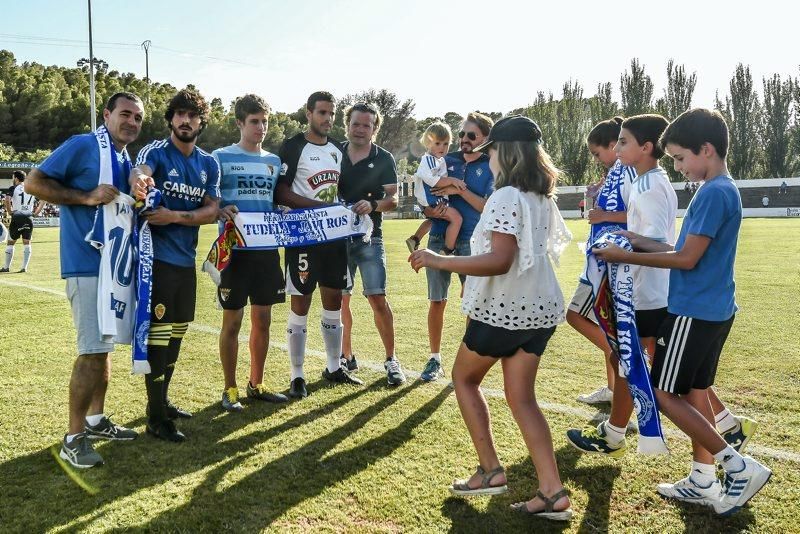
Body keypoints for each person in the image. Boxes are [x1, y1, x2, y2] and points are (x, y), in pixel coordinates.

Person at [593, 108, 771, 515]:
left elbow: (686, 259)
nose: (677, 167)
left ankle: (737, 466)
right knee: (694, 393)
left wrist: (626, 254)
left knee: (661, 393)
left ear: (705, 150)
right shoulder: (722, 188)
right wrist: (634, 240)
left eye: (679, 158)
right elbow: (679, 248)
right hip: (714, 308)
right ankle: (701, 477)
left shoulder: (712, 193)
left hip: (693, 310)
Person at [410, 116, 573, 521]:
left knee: (463, 378)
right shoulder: (541, 195)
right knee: (523, 399)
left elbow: (501, 259)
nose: (489, 159)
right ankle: (553, 493)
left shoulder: (505, 196)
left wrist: (439, 259)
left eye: (492, 151)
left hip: (505, 310)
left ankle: (490, 471)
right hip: (540, 309)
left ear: (505, 152)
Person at [25, 92, 144, 468]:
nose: (132, 122)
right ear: (106, 114)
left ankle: (95, 419)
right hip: (85, 263)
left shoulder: (123, 158)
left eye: (138, 118)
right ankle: (73, 437)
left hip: (112, 265)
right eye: (125, 114)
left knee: (104, 345)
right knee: (91, 350)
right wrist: (85, 196)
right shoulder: (83, 145)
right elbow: (32, 182)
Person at [567, 114, 677, 454]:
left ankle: (722, 439)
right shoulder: (645, 181)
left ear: (645, 148)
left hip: (646, 290)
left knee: (647, 368)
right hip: (638, 287)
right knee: (643, 364)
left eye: (622, 142)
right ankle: (724, 430)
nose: (616, 148)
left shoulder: (651, 185)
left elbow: (662, 246)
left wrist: (621, 250)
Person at [130, 88, 221, 442]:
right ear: (171, 119)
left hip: (186, 261)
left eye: (192, 115)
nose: (185, 121)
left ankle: (162, 400)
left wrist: (175, 216)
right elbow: (141, 169)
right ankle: (155, 417)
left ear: (201, 122)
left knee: (178, 331)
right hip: (157, 261)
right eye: (179, 114)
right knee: (159, 333)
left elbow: (212, 209)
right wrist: (139, 180)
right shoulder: (158, 151)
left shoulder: (207, 163)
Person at [275, 91, 363, 399]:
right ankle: (297, 375)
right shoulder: (293, 146)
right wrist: (317, 209)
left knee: (334, 302)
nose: (328, 119)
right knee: (300, 303)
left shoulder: (338, 150)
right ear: (309, 113)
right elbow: (281, 193)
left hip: (332, 238)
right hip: (303, 236)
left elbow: (340, 193)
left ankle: (333, 366)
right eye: (322, 113)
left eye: (332, 114)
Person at [212, 94, 288, 412]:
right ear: (240, 123)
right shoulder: (220, 157)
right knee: (232, 322)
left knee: (264, 319)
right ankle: (229, 389)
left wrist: (280, 209)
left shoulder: (273, 162)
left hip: (267, 250)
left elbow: (273, 202)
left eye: (265, 121)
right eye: (254, 121)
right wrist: (219, 208)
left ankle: (256, 383)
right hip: (234, 252)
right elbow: (209, 201)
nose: (261, 127)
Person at [419, 112, 495, 382]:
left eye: (470, 135)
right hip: (439, 236)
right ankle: (434, 359)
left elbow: (485, 206)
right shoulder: (445, 159)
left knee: (472, 303)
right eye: (461, 134)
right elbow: (428, 192)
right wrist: (428, 207)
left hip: (472, 241)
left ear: (485, 138)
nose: (463, 139)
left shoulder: (490, 165)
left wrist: (458, 191)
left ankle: (465, 365)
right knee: (437, 300)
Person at [338, 102, 406, 385]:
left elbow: (394, 200)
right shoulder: (334, 152)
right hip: (336, 237)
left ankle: (391, 359)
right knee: (340, 299)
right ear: (348, 125)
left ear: (375, 128)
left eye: (367, 125)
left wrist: (374, 203)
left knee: (377, 297)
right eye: (356, 123)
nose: (360, 129)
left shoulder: (383, 157)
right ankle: (346, 357)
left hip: (369, 237)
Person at [569, 117, 634, 406]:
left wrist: (604, 215)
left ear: (613, 144)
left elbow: (640, 216)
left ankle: (621, 361)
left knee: (576, 315)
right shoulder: (616, 172)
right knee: (605, 323)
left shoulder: (629, 172)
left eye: (598, 153)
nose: (597, 160)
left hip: (611, 264)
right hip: (601, 260)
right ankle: (612, 387)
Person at [407, 122, 465, 255]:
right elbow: (431, 180)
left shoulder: (438, 159)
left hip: (433, 199)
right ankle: (448, 249)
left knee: (433, 220)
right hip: (432, 198)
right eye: (438, 143)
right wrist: (452, 181)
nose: (442, 147)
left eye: (446, 144)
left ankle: (415, 239)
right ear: (428, 143)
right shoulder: (429, 160)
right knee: (456, 219)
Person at [2, 170, 46, 273]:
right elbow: (43, 200)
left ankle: (6, 267)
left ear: (16, 178)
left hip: (17, 216)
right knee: (27, 242)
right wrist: (36, 213)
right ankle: (24, 268)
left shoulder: (13, 188)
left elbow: (7, 200)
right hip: (28, 217)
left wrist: (10, 211)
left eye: (13, 177)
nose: (13, 179)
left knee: (10, 243)